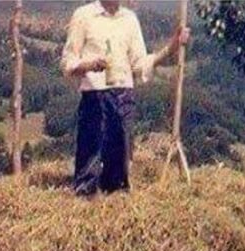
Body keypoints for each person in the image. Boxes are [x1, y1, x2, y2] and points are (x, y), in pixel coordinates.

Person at [61, 1, 189, 195]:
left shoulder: (129, 19)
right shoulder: (84, 16)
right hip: (95, 94)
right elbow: (68, 62)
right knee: (90, 157)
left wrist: (171, 48)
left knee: (119, 168)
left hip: (123, 95)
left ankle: (115, 197)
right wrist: (89, 65)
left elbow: (139, 64)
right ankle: (85, 198)